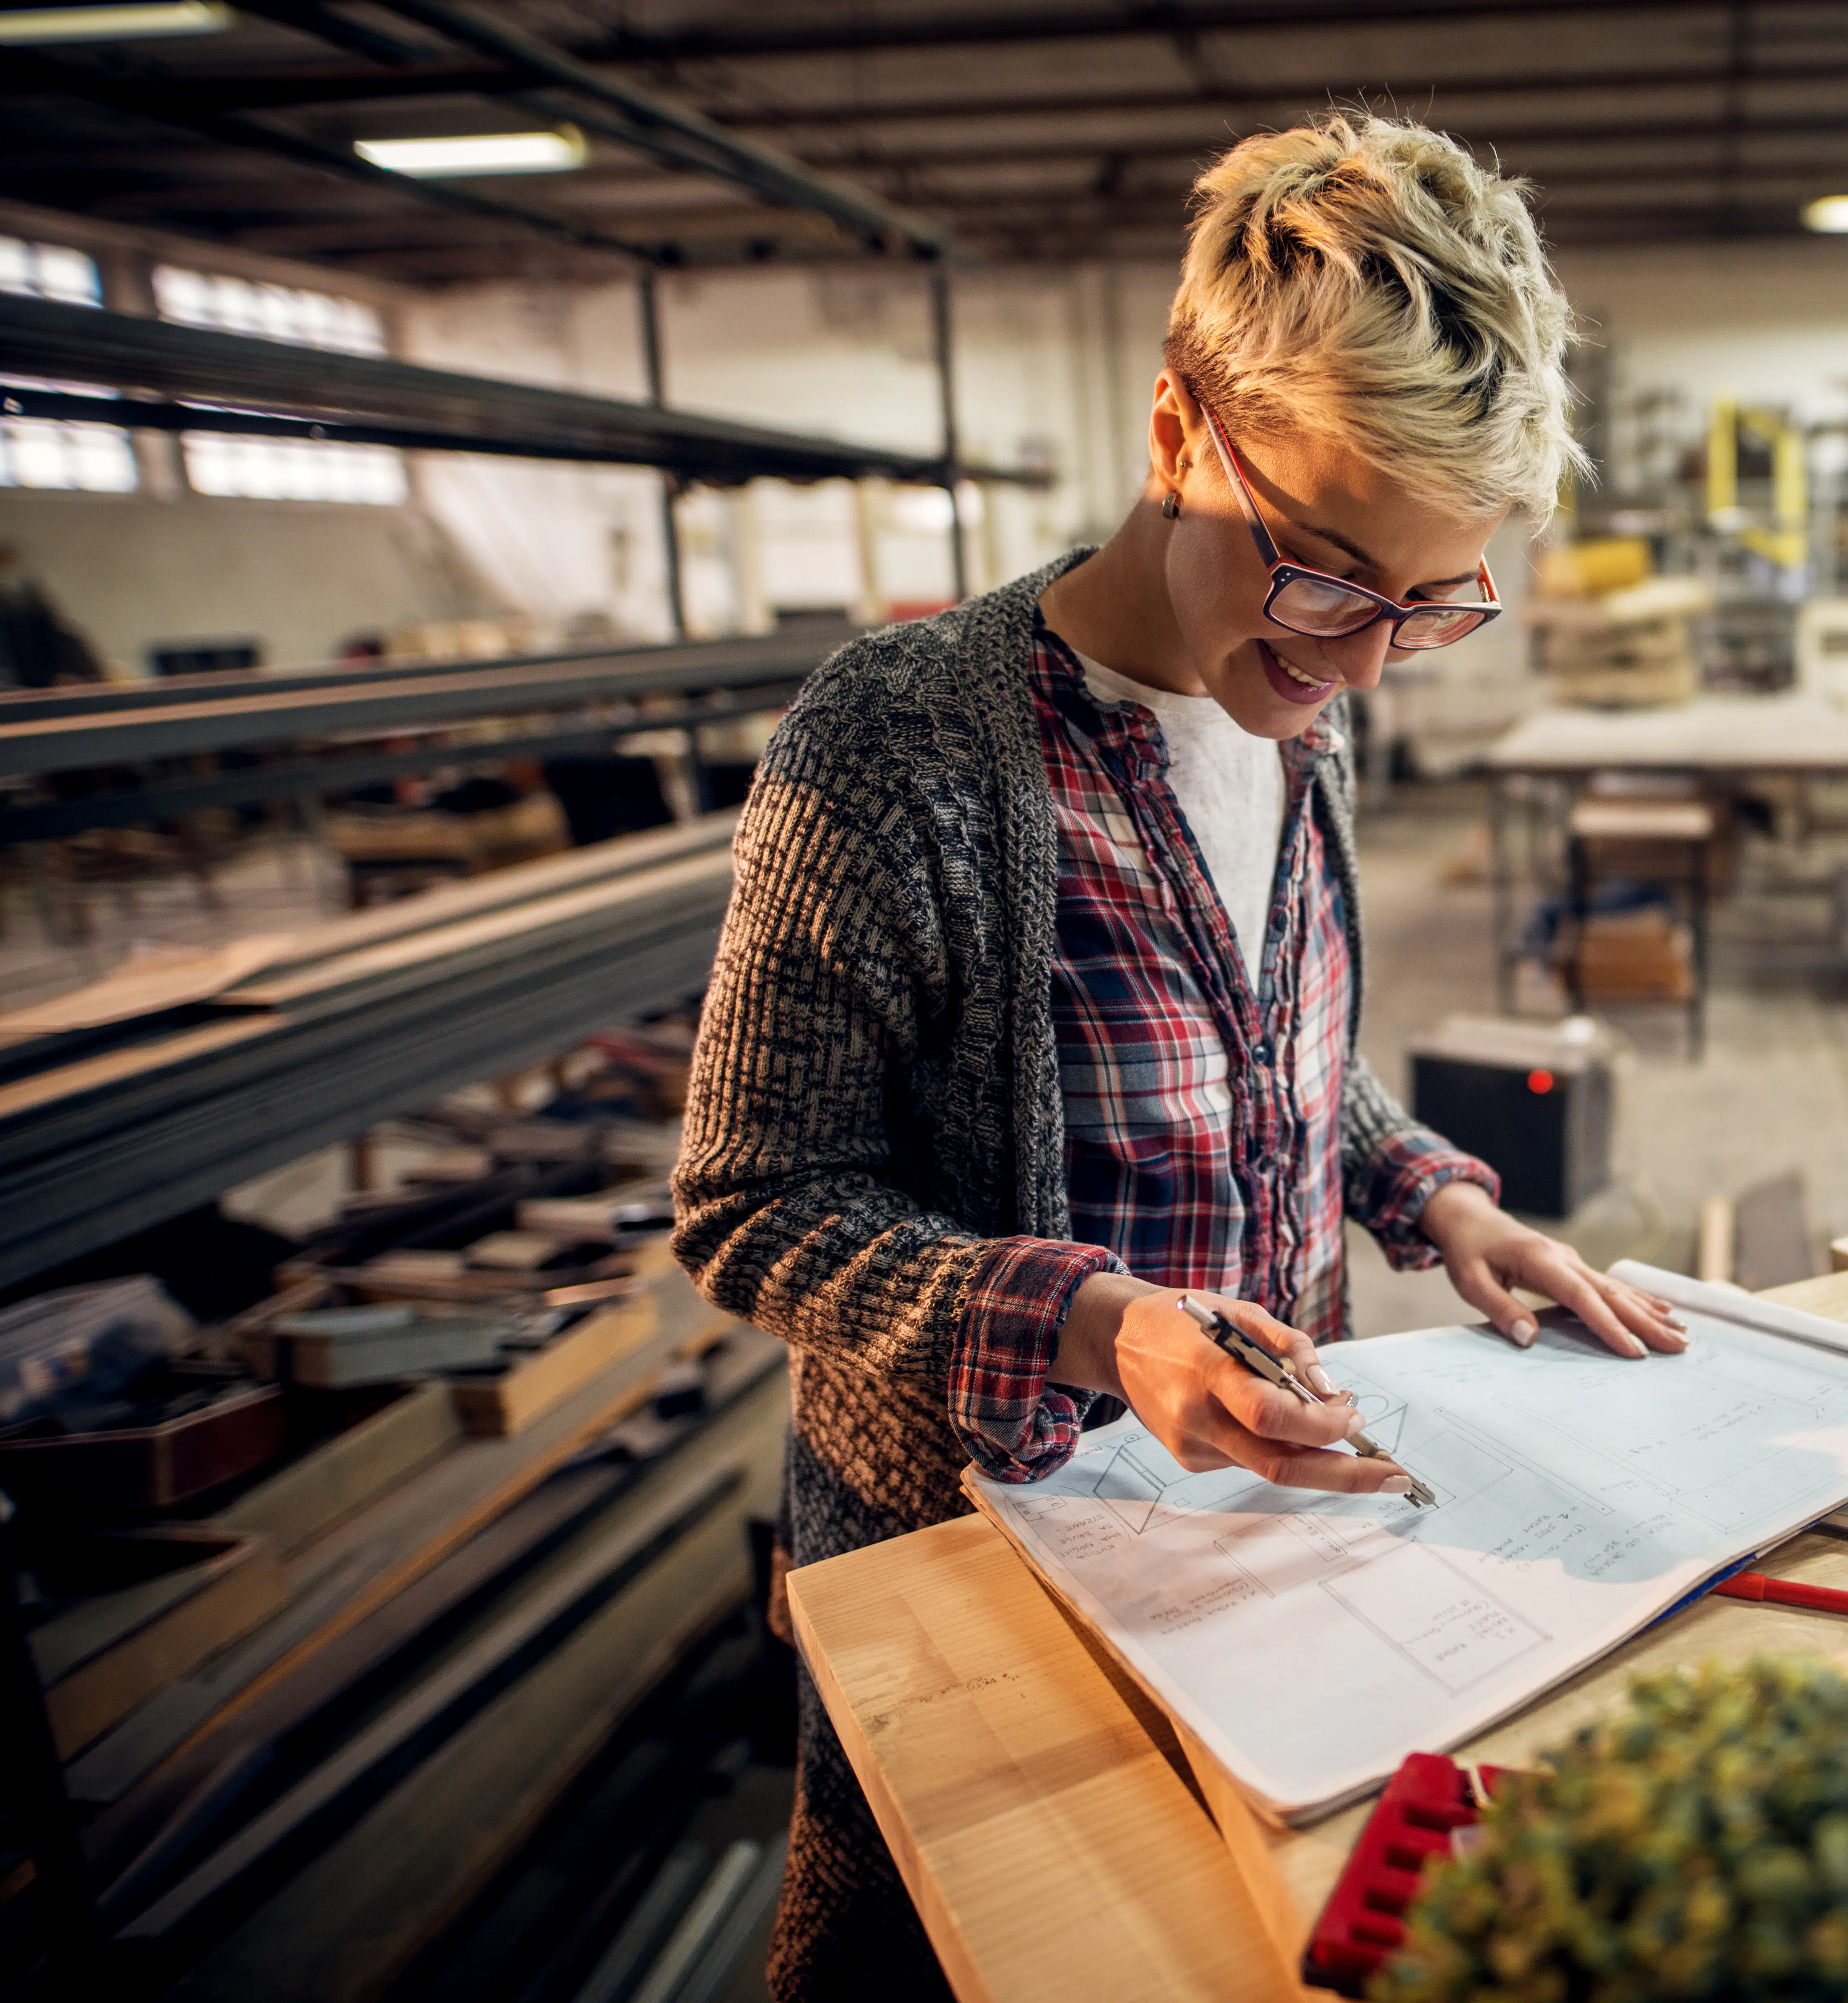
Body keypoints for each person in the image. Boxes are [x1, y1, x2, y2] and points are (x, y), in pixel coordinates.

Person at [671, 112, 1685, 2003]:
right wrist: (1089, 1319)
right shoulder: (899, 746)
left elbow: (1266, 1052)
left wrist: (1434, 1191)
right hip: (980, 1571)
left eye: (1431, 600)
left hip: (1259, 1546)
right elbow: (747, 1201)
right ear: (1172, 435)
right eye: (1320, 572)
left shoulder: (1306, 711)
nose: (1368, 661)